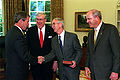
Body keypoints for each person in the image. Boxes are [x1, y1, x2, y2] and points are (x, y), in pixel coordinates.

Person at [85, 9, 120, 80]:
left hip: (107, 73)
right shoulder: (90, 33)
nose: (87, 21)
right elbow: (89, 52)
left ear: (97, 18)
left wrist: (115, 71)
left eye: (89, 19)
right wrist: (87, 66)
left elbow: (117, 52)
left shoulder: (110, 29)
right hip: (93, 73)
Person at [5, 12, 40, 80]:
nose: (28, 24)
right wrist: (37, 60)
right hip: (17, 73)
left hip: (12, 71)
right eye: (27, 21)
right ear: (21, 21)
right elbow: (24, 55)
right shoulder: (18, 35)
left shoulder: (11, 31)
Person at [26, 13, 57, 80]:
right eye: (37, 19)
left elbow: (55, 48)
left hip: (48, 63)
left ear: (45, 20)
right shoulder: (30, 31)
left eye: (41, 19)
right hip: (35, 63)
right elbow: (27, 47)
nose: (38, 21)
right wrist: (28, 62)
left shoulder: (51, 30)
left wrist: (55, 61)